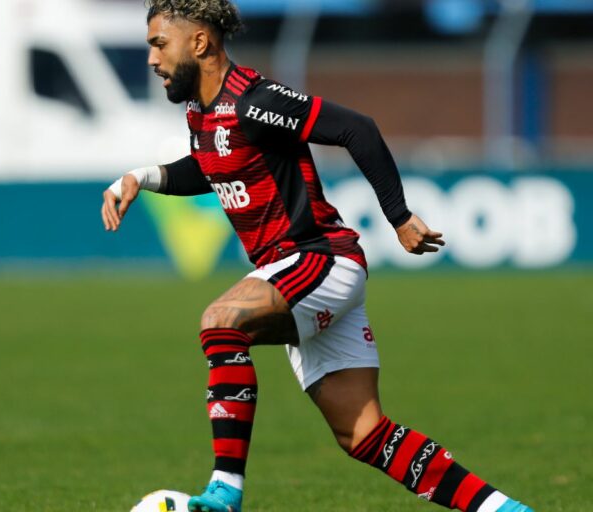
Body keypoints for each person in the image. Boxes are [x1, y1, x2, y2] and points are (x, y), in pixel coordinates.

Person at [101, 2, 532, 512]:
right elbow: (208, 166)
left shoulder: (254, 101)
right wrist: (140, 177)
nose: (152, 58)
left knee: (220, 323)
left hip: (318, 259)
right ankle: (504, 509)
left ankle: (224, 494)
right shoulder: (201, 111)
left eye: (159, 44)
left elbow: (358, 129)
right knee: (365, 435)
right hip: (292, 272)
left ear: (199, 43)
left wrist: (399, 217)